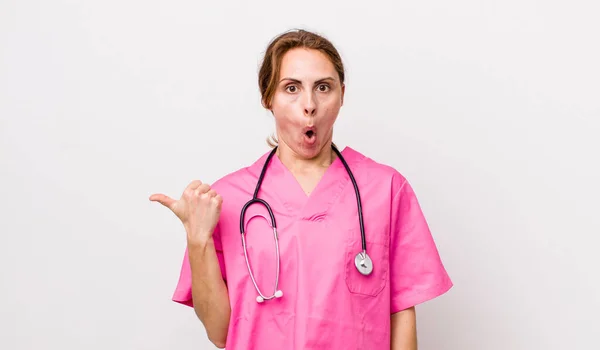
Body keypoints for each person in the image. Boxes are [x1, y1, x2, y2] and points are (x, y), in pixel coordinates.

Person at [150, 29, 453, 350]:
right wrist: (198, 239)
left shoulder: (386, 189)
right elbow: (220, 332)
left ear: (342, 95)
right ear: (268, 98)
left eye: (323, 87)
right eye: (291, 88)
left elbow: (402, 312)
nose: (309, 104)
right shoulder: (228, 199)